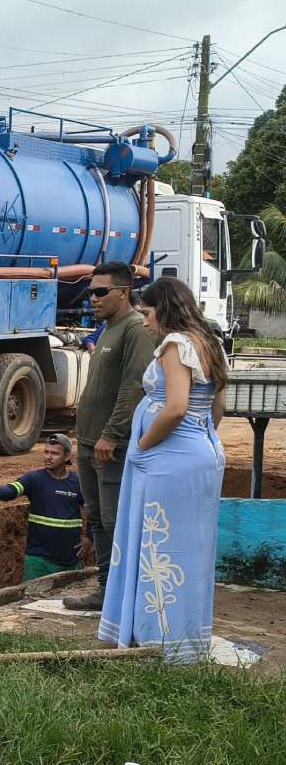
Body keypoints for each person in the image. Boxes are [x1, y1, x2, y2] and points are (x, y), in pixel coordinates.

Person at [99, 277, 227, 663]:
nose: (146, 321)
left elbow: (175, 407)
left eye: (149, 313)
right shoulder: (211, 344)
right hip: (201, 455)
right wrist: (198, 442)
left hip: (168, 460)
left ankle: (160, 640)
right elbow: (217, 406)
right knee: (193, 548)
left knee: (159, 548)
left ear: (165, 310)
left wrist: (142, 446)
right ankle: (187, 641)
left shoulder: (176, 345)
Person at [63, 262, 155, 611]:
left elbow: (134, 388)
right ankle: (106, 589)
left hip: (108, 448)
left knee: (114, 520)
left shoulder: (135, 330)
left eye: (101, 292)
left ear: (123, 292)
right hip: (89, 443)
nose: (93, 299)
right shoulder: (108, 329)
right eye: (90, 292)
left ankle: (121, 593)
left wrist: (112, 435)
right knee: (97, 519)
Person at [0, 434, 87, 581]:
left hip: (71, 561)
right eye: (46, 452)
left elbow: (94, 511)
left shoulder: (78, 483)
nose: (48, 457)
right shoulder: (34, 479)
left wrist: (90, 538)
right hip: (39, 561)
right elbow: (12, 491)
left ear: (67, 456)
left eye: (54, 453)